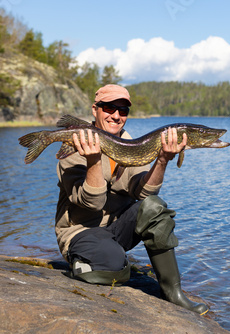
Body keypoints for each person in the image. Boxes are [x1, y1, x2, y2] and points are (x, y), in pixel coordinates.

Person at [54, 84, 208, 315]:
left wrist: (163, 159)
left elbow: (144, 194)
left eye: (123, 110)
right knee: (116, 269)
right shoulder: (78, 148)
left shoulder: (133, 144)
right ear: (95, 109)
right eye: (109, 108)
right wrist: (94, 160)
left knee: (155, 208)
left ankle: (172, 293)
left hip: (117, 229)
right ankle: (82, 264)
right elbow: (92, 203)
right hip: (81, 231)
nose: (116, 115)